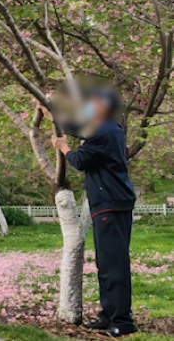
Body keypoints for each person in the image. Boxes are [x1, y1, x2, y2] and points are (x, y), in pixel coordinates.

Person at [51, 89, 138, 339]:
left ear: (104, 107)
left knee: (114, 264)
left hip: (111, 203)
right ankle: (108, 315)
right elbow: (78, 126)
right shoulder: (105, 128)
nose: (89, 107)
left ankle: (122, 321)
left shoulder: (105, 131)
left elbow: (80, 161)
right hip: (107, 202)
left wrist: (64, 148)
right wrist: (53, 113)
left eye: (94, 103)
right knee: (105, 263)